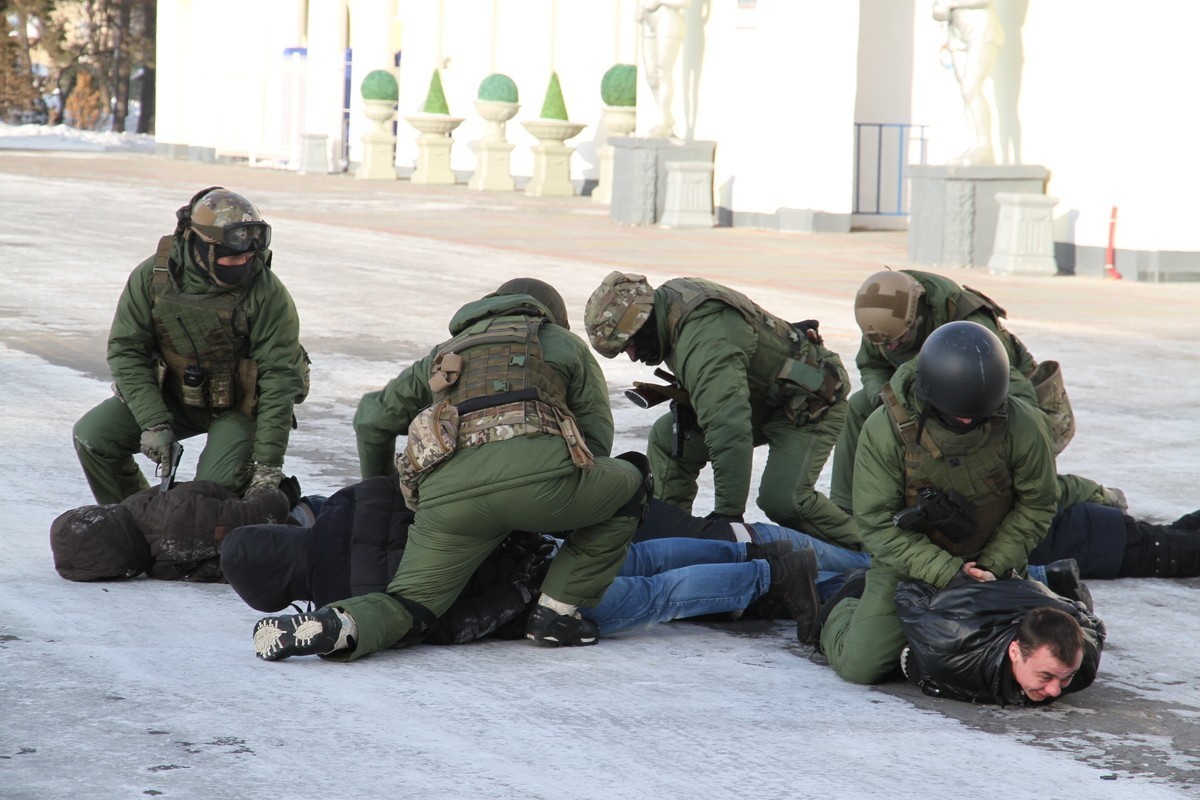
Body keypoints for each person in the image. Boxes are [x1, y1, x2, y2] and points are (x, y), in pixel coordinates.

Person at [253, 278, 650, 662]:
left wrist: (382, 492)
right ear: (550, 316)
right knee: (632, 479)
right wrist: (561, 509)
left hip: (448, 501)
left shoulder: (444, 353)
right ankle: (556, 615)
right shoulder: (564, 344)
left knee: (411, 604)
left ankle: (340, 625)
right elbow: (595, 447)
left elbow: (371, 418)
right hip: (538, 483)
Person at [223, 476, 822, 645]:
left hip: (532, 600)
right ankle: (756, 549)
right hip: (531, 541)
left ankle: (771, 575)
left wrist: (516, 607)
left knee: (656, 596)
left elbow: (442, 620)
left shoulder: (348, 600)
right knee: (638, 559)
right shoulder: (354, 500)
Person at [817, 320, 1059, 685]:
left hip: (991, 563)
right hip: (907, 564)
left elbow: (1037, 505)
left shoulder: (1022, 425)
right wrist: (947, 574)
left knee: (1013, 656)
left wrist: (992, 566)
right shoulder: (886, 430)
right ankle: (846, 603)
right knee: (861, 667)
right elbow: (877, 524)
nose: (965, 420)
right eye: (956, 414)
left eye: (976, 415)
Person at [584, 272, 860, 552]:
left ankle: (876, 552)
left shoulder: (705, 341)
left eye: (630, 344)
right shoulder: (668, 305)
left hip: (808, 403)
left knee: (784, 499)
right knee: (670, 437)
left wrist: (728, 516)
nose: (632, 356)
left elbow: (728, 428)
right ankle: (666, 543)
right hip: (760, 399)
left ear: (643, 323)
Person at [72, 186, 308, 505]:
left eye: (249, 256)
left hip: (238, 408)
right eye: (232, 255)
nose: (243, 263)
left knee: (214, 487)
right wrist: (153, 421)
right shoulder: (153, 277)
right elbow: (127, 351)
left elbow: (279, 381)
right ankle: (138, 519)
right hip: (174, 396)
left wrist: (267, 471)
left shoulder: (267, 294)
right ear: (200, 245)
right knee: (94, 438)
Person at [831, 268, 1076, 512]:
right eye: (886, 344)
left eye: (899, 341)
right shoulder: (885, 320)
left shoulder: (969, 324)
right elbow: (872, 365)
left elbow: (1015, 392)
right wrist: (887, 399)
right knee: (859, 405)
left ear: (917, 316)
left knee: (1021, 491)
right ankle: (844, 509)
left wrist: (1023, 436)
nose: (891, 347)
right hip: (937, 394)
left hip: (1004, 397)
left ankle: (1090, 492)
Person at [896, 577, 1105, 706]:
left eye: (1066, 677)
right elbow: (907, 594)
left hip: (1019, 590)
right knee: (869, 662)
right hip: (940, 585)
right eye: (1045, 676)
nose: (1055, 690)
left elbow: (1093, 625)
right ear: (1015, 652)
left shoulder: (1084, 668)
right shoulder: (950, 641)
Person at [50, 479, 300, 583]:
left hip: (298, 525)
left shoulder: (174, 526)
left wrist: (275, 489)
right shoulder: (133, 514)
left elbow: (265, 513)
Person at [931, 1, 1004, 165]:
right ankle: (975, 145)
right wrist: (941, 9)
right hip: (956, 32)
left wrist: (950, 3)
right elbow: (937, 10)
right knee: (966, 91)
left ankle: (985, 146)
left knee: (970, 87)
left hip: (981, 28)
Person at [635, 0, 691, 139]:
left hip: (668, 20)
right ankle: (667, 118)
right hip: (648, 22)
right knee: (651, 76)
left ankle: (663, 122)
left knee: (663, 72)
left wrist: (658, 1)